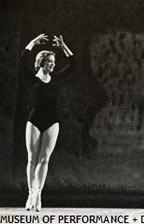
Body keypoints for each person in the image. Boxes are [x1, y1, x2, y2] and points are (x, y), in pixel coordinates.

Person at [21, 34, 75, 211]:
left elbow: (73, 63)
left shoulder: (57, 78)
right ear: (41, 61)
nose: (53, 64)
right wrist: (33, 42)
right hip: (35, 119)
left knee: (44, 159)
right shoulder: (33, 79)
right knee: (32, 158)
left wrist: (63, 46)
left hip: (52, 121)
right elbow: (22, 60)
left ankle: (38, 193)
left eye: (54, 61)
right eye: (49, 61)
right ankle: (30, 192)